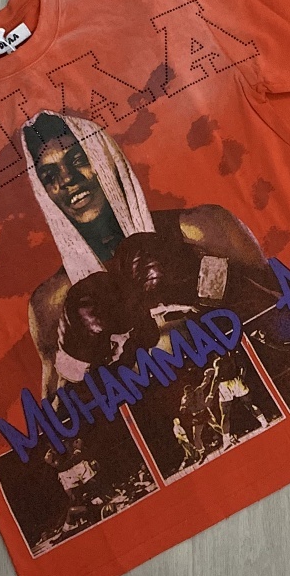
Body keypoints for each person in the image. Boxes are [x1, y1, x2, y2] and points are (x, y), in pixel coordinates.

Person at [21, 110, 273, 396]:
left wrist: (199, 279)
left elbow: (289, 312)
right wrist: (76, 357)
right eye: (50, 176)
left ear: (105, 157)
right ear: (44, 194)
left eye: (78, 160)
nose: (67, 179)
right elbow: (58, 417)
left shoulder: (201, 228)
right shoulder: (52, 300)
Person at [208, 355, 269, 450]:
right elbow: (243, 366)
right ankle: (264, 422)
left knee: (225, 414)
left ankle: (226, 441)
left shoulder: (218, 361)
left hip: (225, 385)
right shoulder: (233, 355)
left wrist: (211, 394)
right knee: (249, 404)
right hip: (236, 381)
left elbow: (216, 378)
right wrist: (241, 377)